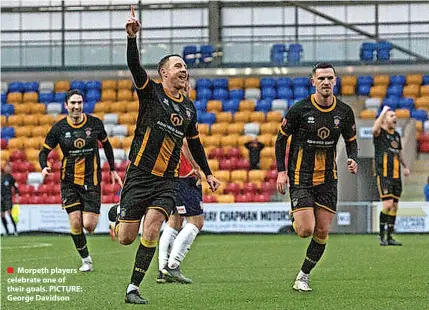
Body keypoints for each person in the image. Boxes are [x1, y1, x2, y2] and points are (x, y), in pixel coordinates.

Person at [108, 6, 220, 305]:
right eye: (178, 66)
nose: (184, 71)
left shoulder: (189, 109)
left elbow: (194, 144)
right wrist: (132, 38)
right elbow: (134, 67)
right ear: (164, 73)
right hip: (140, 174)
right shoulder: (151, 92)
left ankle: (133, 287)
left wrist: (207, 172)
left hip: (167, 180)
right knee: (125, 238)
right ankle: (116, 217)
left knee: (154, 228)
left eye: (186, 68)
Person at [275, 62, 358, 292]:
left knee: (322, 231)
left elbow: (351, 141)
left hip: (328, 179)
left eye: (329, 78)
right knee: (305, 231)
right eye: (321, 78)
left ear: (335, 81)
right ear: (313, 82)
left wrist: (352, 158)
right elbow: (280, 139)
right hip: (301, 177)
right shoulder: (299, 109)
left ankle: (303, 275)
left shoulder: (344, 112)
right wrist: (281, 171)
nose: (325, 82)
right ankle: (297, 214)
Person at [39, 89, 122, 272]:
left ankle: (110, 222)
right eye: (73, 103)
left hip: (91, 180)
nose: (76, 107)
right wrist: (43, 166)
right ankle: (86, 260)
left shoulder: (95, 124)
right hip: (68, 182)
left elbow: (106, 144)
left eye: (79, 103)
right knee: (75, 221)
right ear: (66, 105)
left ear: (82, 104)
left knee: (89, 226)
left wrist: (113, 169)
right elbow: (43, 151)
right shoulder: (59, 128)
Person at [157, 139, 203, 284]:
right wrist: (196, 166)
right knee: (196, 222)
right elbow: (184, 142)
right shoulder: (184, 117)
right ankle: (172, 266)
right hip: (185, 175)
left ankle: (163, 269)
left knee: (174, 221)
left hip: (171, 176)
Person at [372, 106, 410, 246]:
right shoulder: (380, 133)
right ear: (384, 119)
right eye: (391, 115)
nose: (395, 118)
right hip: (384, 175)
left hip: (396, 176)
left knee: (394, 206)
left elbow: (399, 154)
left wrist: (405, 166)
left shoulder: (396, 135)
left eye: (395, 116)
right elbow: (374, 129)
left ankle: (390, 236)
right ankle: (382, 235)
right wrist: (382, 112)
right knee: (387, 204)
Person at [1, 162, 19, 236]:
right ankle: (7, 231)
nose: (8, 169)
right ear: (4, 168)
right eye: (7, 167)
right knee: (2, 215)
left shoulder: (11, 178)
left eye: (9, 167)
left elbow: (16, 187)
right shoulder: (1, 177)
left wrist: (17, 195)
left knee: (9, 213)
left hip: (8, 198)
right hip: (1, 198)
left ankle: (15, 230)